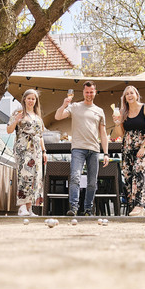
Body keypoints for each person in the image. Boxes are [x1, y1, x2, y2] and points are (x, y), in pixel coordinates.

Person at [54, 81, 109, 216]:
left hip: (94, 150)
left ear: (95, 92)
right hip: (78, 148)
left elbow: (103, 133)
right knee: (75, 177)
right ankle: (73, 207)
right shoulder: (75, 106)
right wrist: (64, 105)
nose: (89, 94)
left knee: (92, 182)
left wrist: (106, 153)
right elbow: (58, 116)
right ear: (83, 92)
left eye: (91, 92)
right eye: (86, 92)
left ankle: (88, 209)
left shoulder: (99, 111)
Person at [111, 86, 145, 217]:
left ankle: (139, 205)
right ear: (124, 98)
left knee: (140, 172)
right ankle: (135, 206)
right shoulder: (123, 111)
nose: (129, 95)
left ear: (136, 94)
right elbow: (120, 134)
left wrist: (144, 147)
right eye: (126, 94)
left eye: (131, 93)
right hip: (128, 147)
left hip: (143, 145)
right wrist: (117, 123)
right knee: (129, 175)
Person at [7, 89, 48, 216]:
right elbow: (9, 130)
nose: (31, 101)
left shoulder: (38, 117)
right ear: (24, 99)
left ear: (36, 101)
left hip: (36, 149)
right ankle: (22, 206)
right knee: (24, 175)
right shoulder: (18, 113)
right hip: (23, 147)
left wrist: (44, 151)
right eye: (29, 98)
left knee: (35, 177)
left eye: (33, 99)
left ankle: (30, 208)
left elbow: (40, 136)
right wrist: (16, 120)